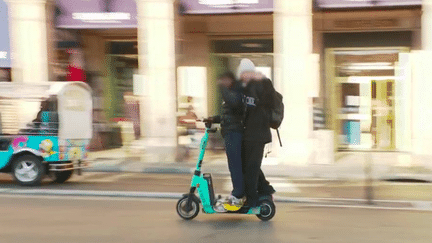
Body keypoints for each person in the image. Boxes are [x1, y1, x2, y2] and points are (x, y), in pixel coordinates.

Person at [237, 58, 275, 208]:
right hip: (248, 135)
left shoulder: (263, 85)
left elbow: (270, 101)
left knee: (251, 168)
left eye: (247, 72)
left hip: (258, 135)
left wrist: (263, 80)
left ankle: (252, 200)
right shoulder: (243, 89)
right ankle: (265, 189)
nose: (244, 76)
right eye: (242, 73)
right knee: (249, 166)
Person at [216, 71, 246, 211]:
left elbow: (234, 104)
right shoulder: (231, 91)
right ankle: (239, 192)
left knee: (235, 165)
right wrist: (216, 119)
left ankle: (238, 194)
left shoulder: (236, 90)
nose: (221, 82)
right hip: (230, 131)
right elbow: (230, 113)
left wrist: (222, 88)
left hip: (235, 132)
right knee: (234, 164)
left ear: (229, 79)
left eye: (223, 80)